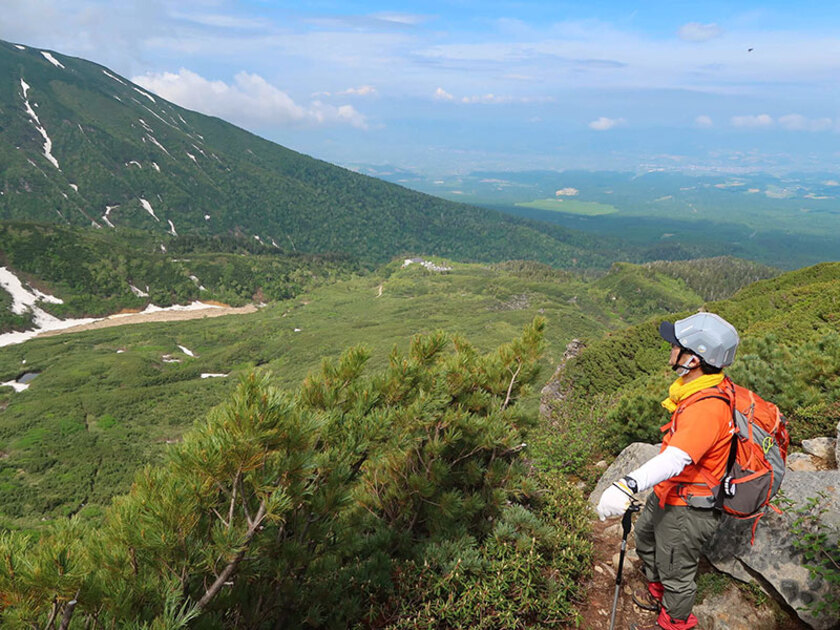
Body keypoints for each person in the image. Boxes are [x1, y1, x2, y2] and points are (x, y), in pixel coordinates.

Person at [596, 312, 740, 630]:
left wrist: (626, 484)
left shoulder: (707, 408)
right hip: (671, 492)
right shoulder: (699, 389)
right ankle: (658, 591)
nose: (670, 349)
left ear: (693, 358)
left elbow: (676, 458)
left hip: (689, 508)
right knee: (646, 538)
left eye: (676, 345)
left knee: (677, 571)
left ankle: (674, 621)